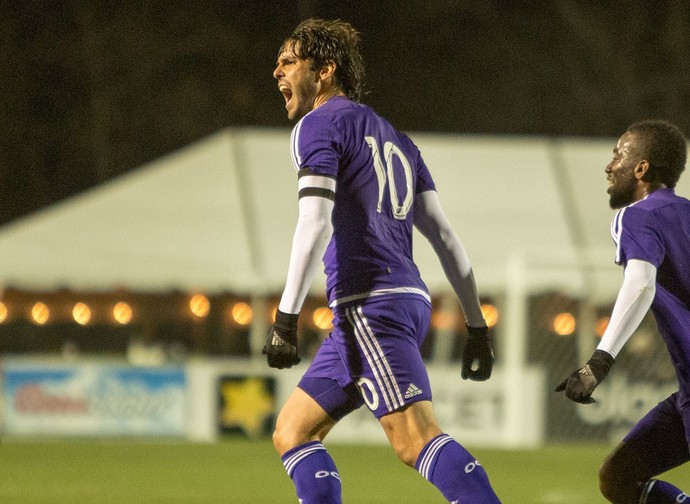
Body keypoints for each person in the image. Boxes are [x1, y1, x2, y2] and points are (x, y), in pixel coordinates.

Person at [263, 18, 501, 504]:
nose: (276, 71)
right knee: (292, 431)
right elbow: (445, 238)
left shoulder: (317, 124)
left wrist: (285, 319)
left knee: (415, 437)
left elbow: (315, 222)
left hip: (369, 304)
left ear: (325, 70)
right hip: (397, 302)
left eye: (288, 61)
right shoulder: (397, 139)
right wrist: (477, 326)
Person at [556, 120, 690, 503]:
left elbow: (641, 282)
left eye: (619, 154)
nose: (609, 165)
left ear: (641, 169)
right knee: (619, 477)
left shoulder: (638, 215)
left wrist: (598, 363)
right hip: (687, 390)